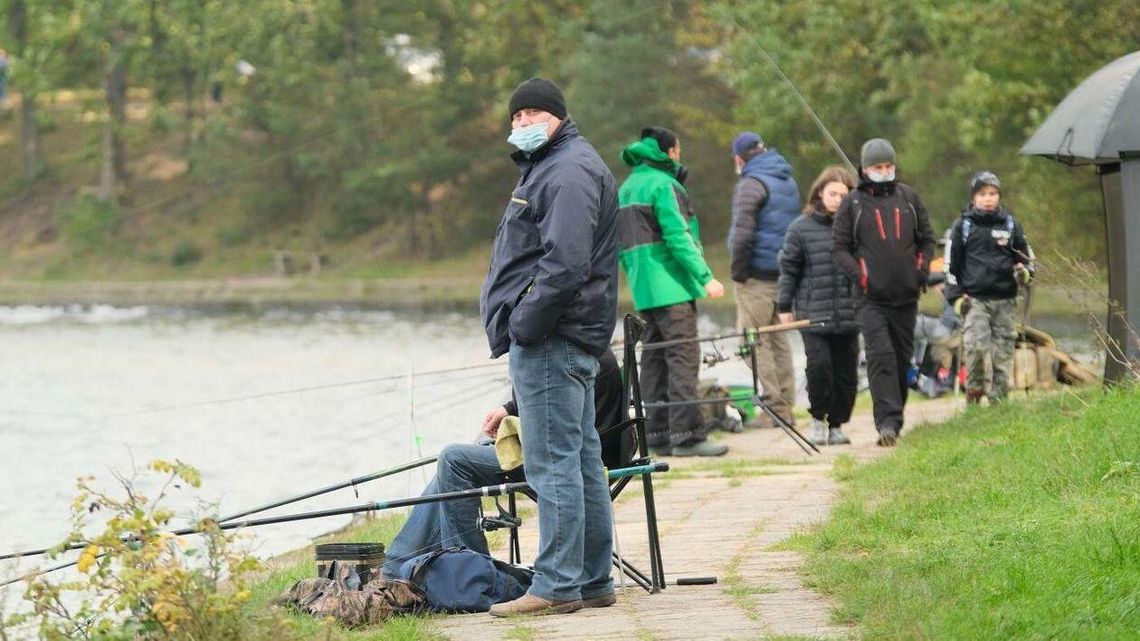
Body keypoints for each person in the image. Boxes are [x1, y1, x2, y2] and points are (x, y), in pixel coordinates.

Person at [480, 77, 618, 616]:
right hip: (569, 338)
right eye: (516, 117)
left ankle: (557, 583)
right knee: (583, 458)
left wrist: (524, 324)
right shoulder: (558, 165)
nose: (522, 124)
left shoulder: (566, 170)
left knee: (553, 462)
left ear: (558, 117)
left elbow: (565, 265)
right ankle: (591, 578)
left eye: (534, 113)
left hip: (553, 339)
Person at [381, 351, 629, 579]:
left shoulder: (568, 354)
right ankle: (397, 568)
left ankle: (472, 576)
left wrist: (512, 423)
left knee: (453, 459)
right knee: (458, 461)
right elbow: (558, 399)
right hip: (580, 450)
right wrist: (508, 409)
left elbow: (552, 411)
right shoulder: (588, 346)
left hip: (567, 461)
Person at [616, 126, 728, 458]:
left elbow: (620, 246)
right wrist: (706, 277)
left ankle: (659, 434)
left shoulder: (627, 186)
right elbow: (678, 236)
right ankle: (688, 436)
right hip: (672, 287)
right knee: (683, 357)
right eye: (678, 150)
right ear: (669, 152)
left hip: (644, 290)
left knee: (654, 360)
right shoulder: (665, 184)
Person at [833, 138, 935, 446]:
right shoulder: (852, 204)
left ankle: (896, 417)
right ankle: (886, 424)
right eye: (878, 167)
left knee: (902, 358)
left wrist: (922, 270)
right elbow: (839, 248)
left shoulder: (909, 198)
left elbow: (927, 238)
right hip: (869, 299)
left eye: (889, 166)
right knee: (881, 356)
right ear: (865, 169)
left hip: (906, 295)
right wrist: (860, 276)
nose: (884, 171)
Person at [776, 165, 859, 446]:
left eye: (843, 194)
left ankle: (837, 425)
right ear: (820, 194)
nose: (837, 199)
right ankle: (817, 419)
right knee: (820, 368)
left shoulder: (857, 229)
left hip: (850, 314)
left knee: (846, 373)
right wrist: (784, 306)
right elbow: (789, 270)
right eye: (832, 193)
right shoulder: (800, 228)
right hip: (814, 315)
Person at [944, 171, 1035, 404]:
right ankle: (973, 393)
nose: (988, 198)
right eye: (983, 194)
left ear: (999, 196)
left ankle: (999, 399)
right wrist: (955, 299)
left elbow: (1027, 260)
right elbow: (950, 267)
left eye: (993, 193)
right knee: (976, 348)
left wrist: (1024, 272)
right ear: (974, 197)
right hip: (974, 300)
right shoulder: (962, 226)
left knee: (1002, 350)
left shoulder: (1011, 224)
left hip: (1006, 299)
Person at [728, 132, 799, 428]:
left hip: (755, 275)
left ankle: (775, 410)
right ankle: (787, 405)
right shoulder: (786, 179)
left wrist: (738, 272)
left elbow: (743, 233)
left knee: (751, 341)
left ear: (739, 158)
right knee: (778, 339)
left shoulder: (751, 183)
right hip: (782, 273)